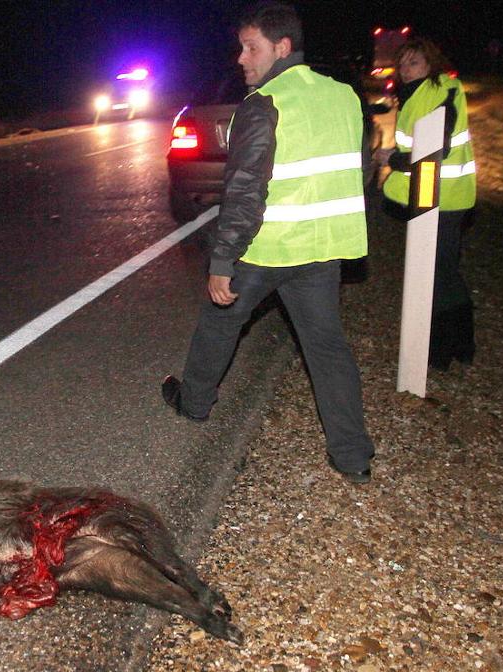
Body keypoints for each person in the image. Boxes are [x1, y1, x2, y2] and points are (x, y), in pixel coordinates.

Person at [161, 1, 376, 485]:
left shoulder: (263, 105)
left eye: (251, 47)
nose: (241, 58)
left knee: (218, 324)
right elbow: (361, 170)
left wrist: (222, 258)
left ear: (281, 48)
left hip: (266, 248)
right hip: (323, 249)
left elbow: (243, 192)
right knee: (327, 349)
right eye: (240, 47)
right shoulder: (343, 96)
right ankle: (353, 457)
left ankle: (193, 404)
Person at [378, 36, 477, 370]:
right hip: (428, 196)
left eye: (414, 63)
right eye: (402, 64)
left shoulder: (441, 91)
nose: (406, 70)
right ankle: (462, 344)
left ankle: (439, 350)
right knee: (444, 271)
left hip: (443, 198)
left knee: (436, 274)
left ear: (430, 64)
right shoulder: (417, 94)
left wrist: (393, 158)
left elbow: (435, 151)